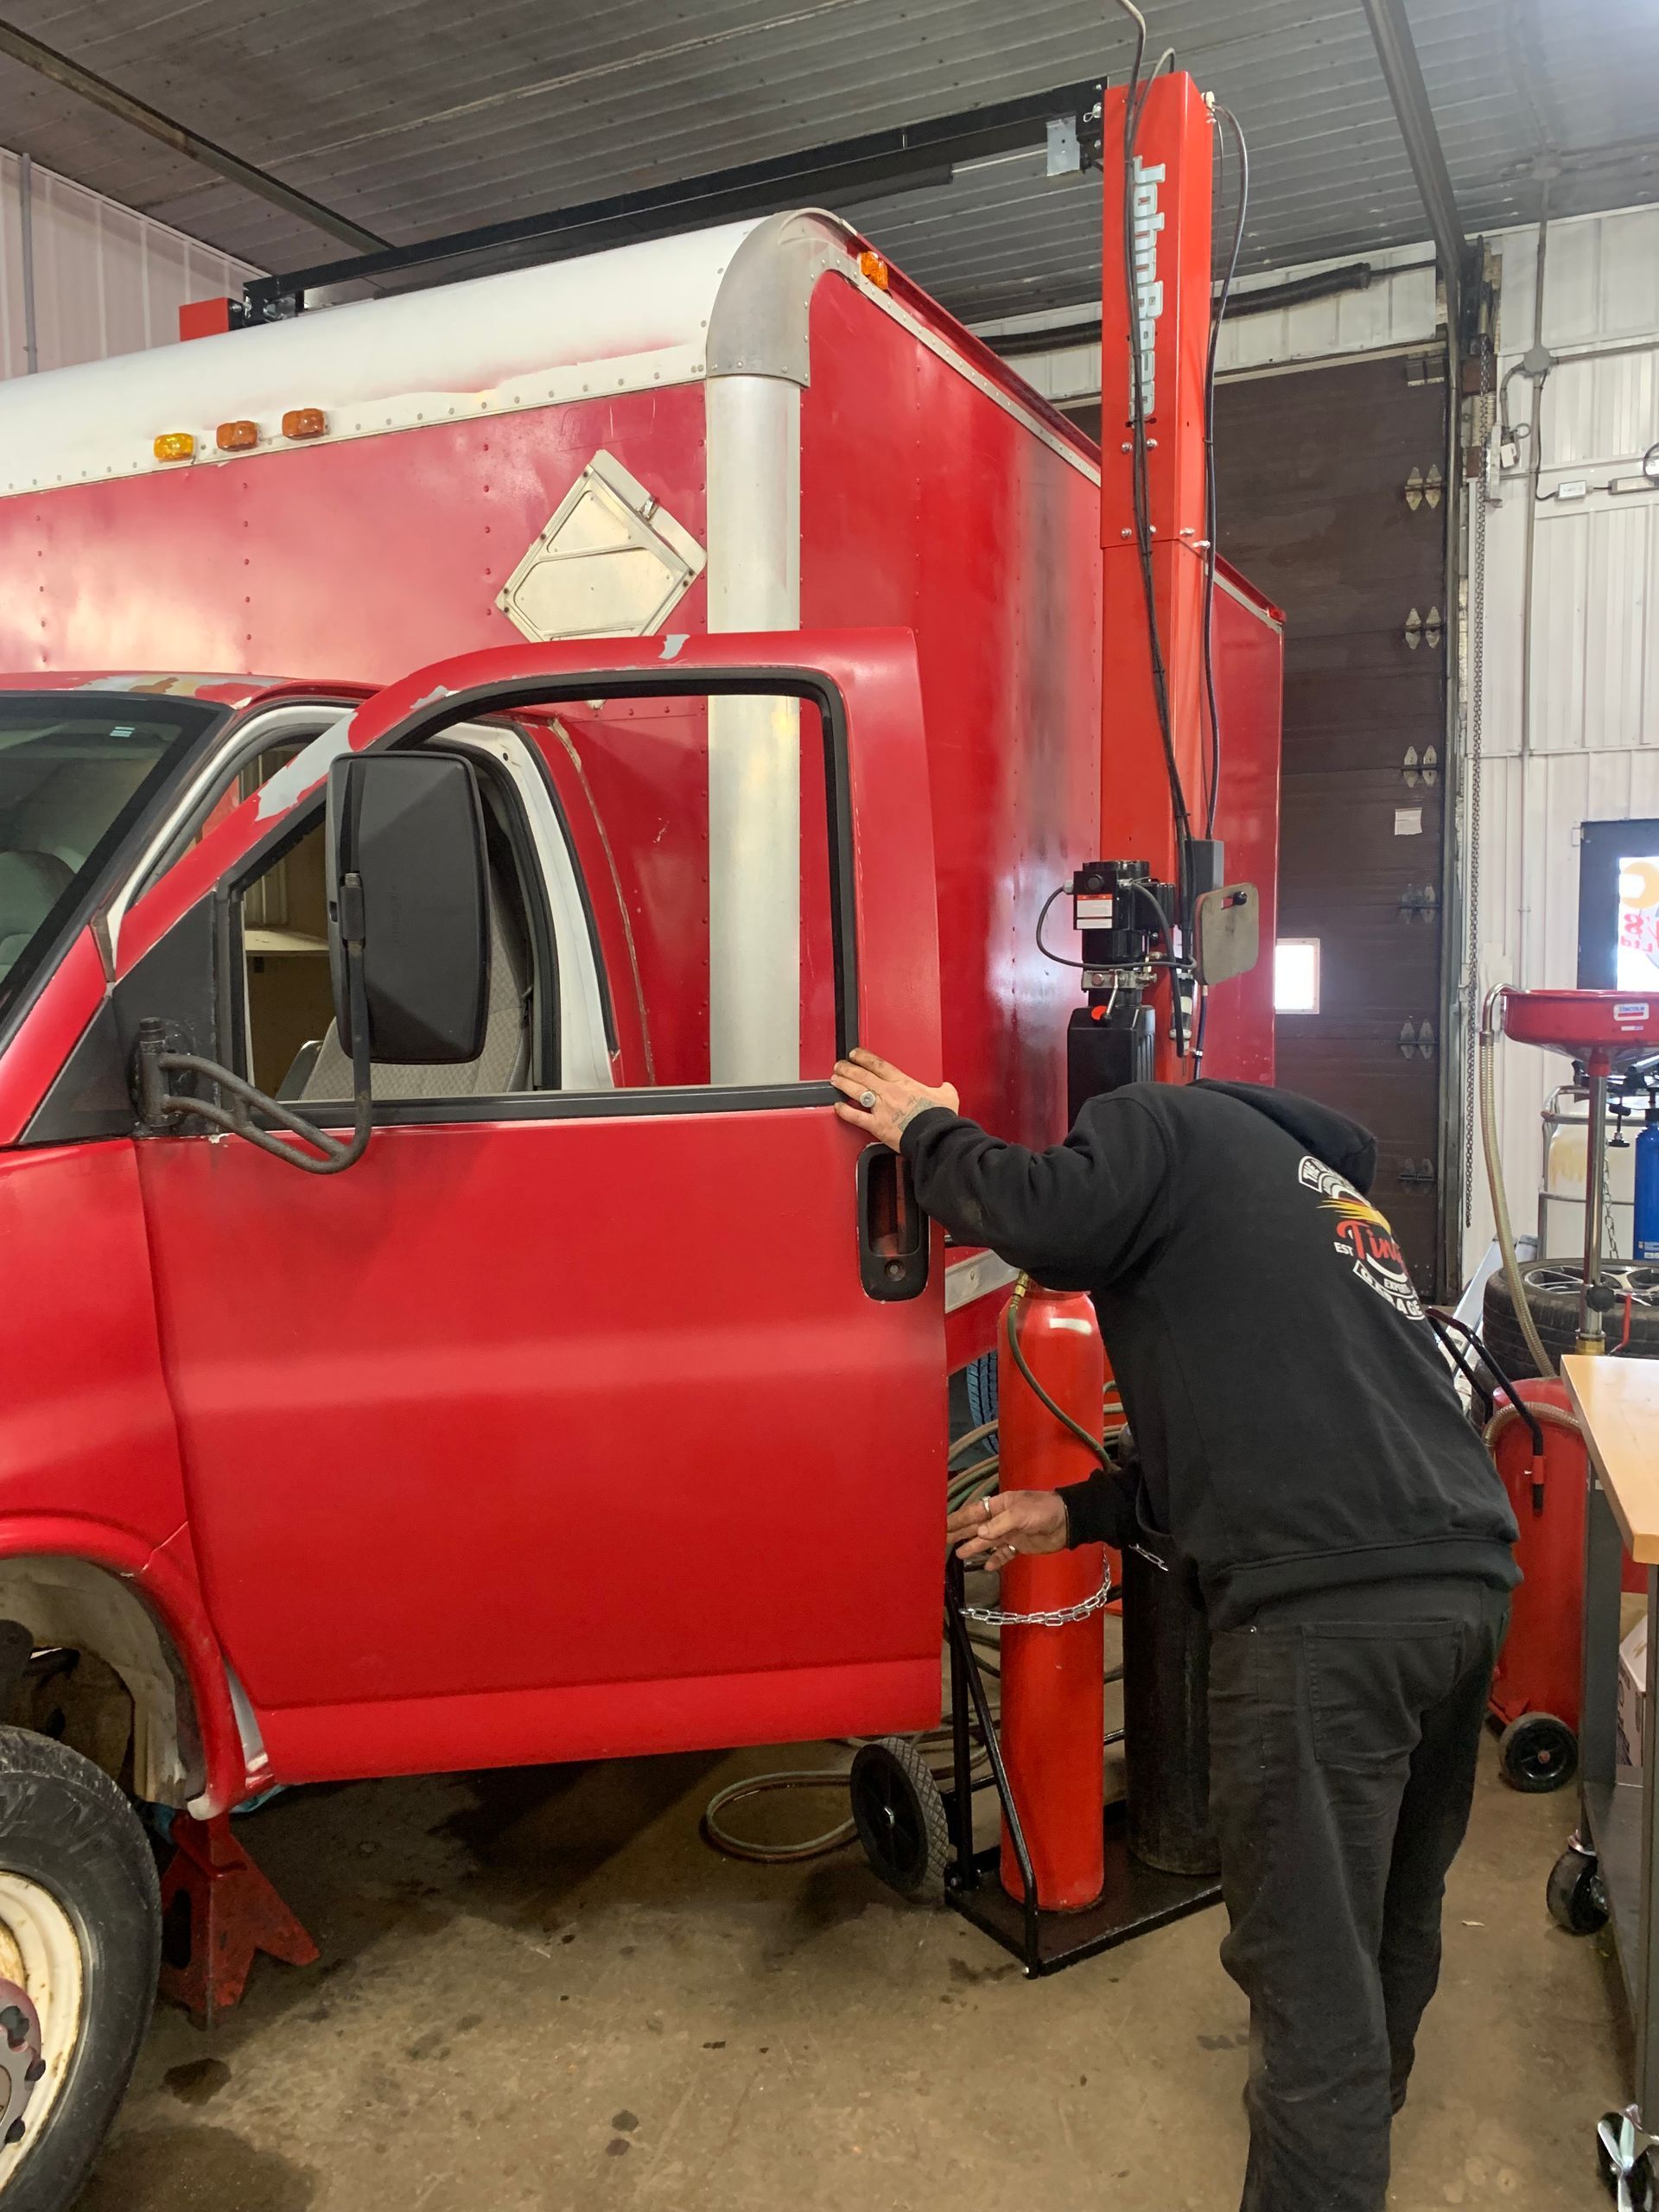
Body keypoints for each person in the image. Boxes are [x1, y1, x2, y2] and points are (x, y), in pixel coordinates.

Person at [830, 1046, 1518, 2212]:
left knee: (1309, 1981)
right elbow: (1245, 1435)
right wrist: (1073, 1511)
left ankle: (1328, 2157)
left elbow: (1043, 1217)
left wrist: (929, 1131)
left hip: (1323, 1618)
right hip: (1462, 1585)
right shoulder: (1313, 1190)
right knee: (1390, 1907)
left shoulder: (1162, 1120)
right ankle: (1365, 2112)